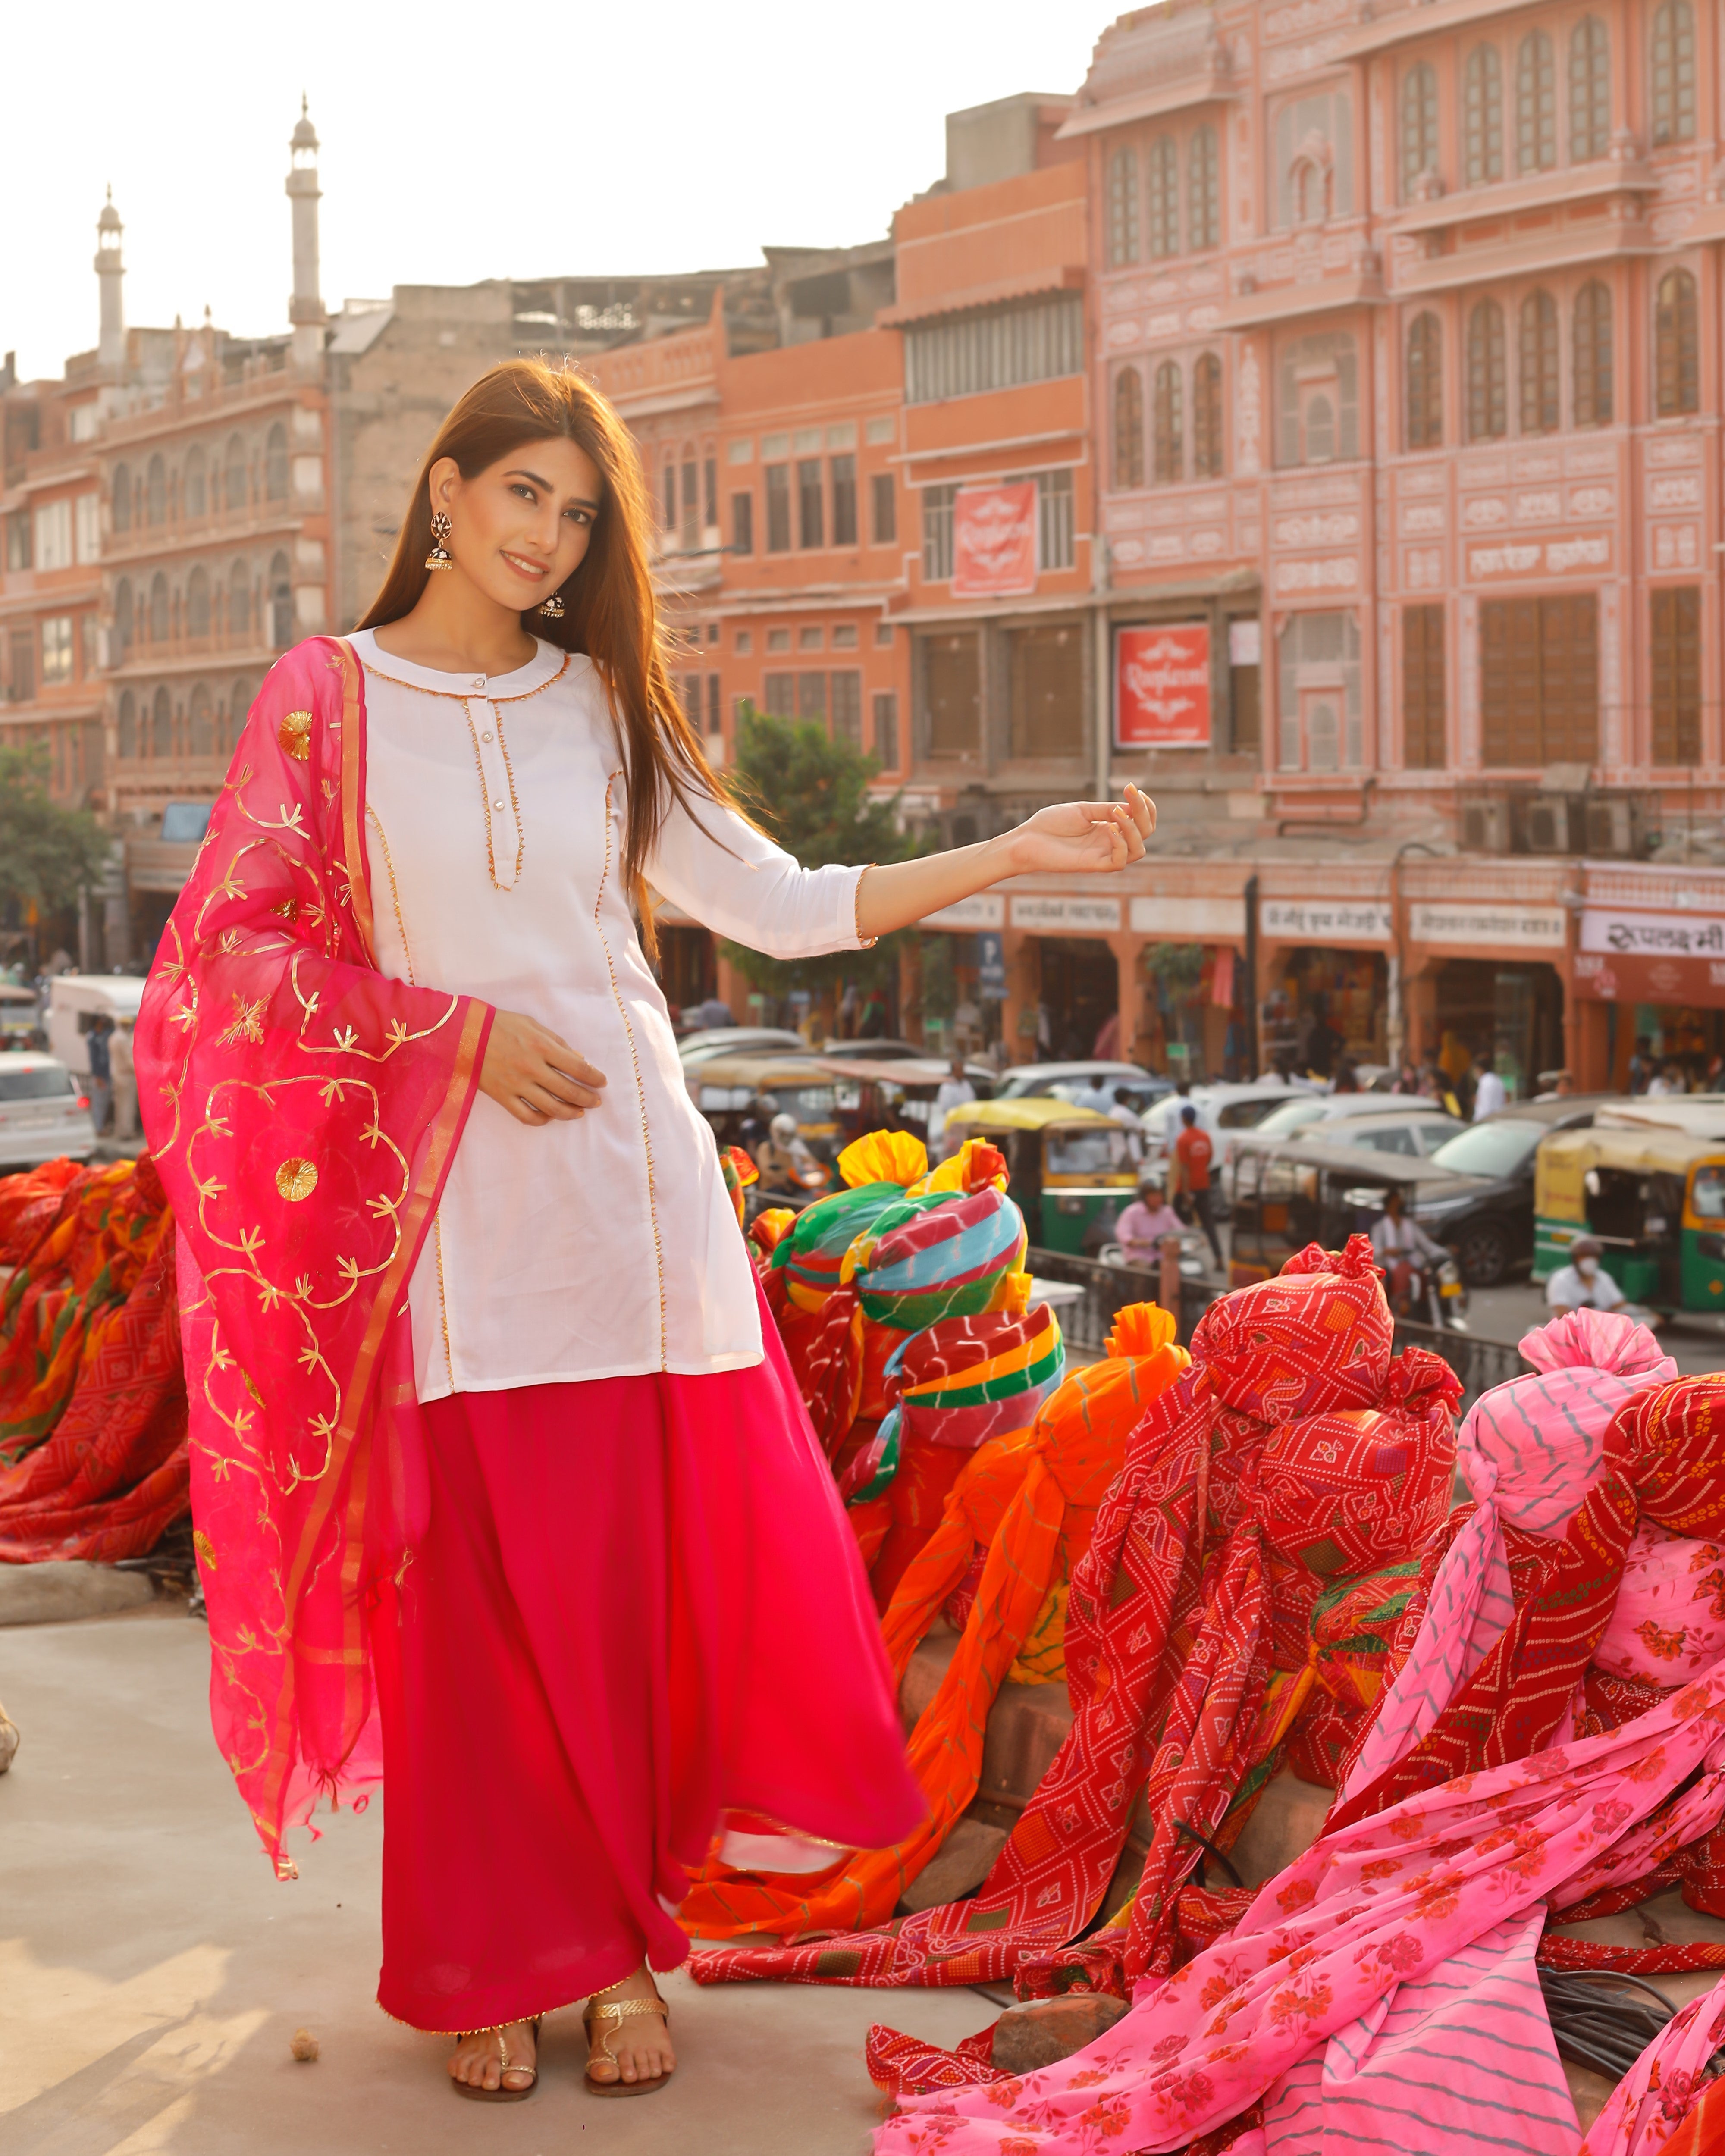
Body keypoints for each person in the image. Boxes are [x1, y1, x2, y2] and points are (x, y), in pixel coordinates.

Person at [131, 357, 1161, 2106]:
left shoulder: (601, 705)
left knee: (616, 1601)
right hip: (455, 1216)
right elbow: (230, 957)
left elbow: (783, 903)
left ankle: (611, 1947)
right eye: (522, 493)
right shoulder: (329, 697)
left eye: (579, 512)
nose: (547, 535)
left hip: (636, 1209)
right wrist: (449, 1036)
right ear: (446, 492)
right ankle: (489, 1955)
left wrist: (1012, 850)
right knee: (477, 1603)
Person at [1369, 1187, 1449, 1314]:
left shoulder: (1409, 1225)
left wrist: (1446, 1252)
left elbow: (1426, 1245)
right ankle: (1400, 1307)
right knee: (1400, 1273)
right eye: (1395, 1203)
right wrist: (1388, 1251)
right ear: (1388, 1206)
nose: (1398, 1206)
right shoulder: (1379, 1227)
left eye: (1399, 1203)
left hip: (1414, 1262)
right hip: (1390, 1264)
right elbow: (1375, 1250)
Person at [1170, 1103, 1223, 1269]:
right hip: (1203, 1184)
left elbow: (1185, 1167)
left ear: (1183, 1119)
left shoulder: (1183, 1139)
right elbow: (1209, 1158)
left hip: (1187, 1187)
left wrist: (1187, 1192)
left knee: (1175, 1220)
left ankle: (1178, 1258)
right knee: (1209, 1223)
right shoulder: (1204, 1136)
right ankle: (1219, 1257)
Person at [1546, 1234, 1628, 1318]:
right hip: (1572, 1326)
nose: (1589, 1261)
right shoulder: (1561, 1279)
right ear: (1575, 1258)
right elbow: (1561, 1313)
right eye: (1584, 1256)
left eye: (1593, 1257)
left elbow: (1620, 1304)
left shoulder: (1604, 1278)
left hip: (1601, 1325)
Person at [1114, 1176, 1183, 1269]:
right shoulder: (1132, 1212)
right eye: (1153, 1195)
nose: (1157, 1198)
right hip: (1139, 1256)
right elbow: (1123, 1234)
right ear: (1144, 1196)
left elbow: (1180, 1231)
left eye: (1159, 1195)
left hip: (1163, 1255)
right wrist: (1141, 1242)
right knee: (1145, 1270)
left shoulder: (1167, 1212)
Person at [754, 1111, 823, 1198]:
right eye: (784, 1135)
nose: (787, 1138)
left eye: (789, 1135)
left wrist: (808, 1164)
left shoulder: (797, 1146)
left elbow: (813, 1165)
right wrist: (787, 1176)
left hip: (797, 1186)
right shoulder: (766, 1148)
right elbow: (767, 1171)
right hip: (773, 1189)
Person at [928, 1055, 976, 1161]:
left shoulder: (966, 1085)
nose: (961, 1073)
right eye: (959, 1070)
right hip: (954, 1126)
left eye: (962, 1070)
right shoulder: (947, 1087)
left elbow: (972, 1101)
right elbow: (946, 1107)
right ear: (953, 1071)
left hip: (967, 1124)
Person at [84, 1015, 112, 1138]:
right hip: (100, 1075)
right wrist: (98, 1075)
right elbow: (94, 1059)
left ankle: (100, 1126)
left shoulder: (104, 1035)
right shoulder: (93, 1037)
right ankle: (98, 1128)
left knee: (104, 1102)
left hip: (106, 1073)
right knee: (99, 1102)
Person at [1472, 1052, 1508, 1120]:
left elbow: (1485, 1108)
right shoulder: (1498, 1080)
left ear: (1480, 1069)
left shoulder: (1485, 1082)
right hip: (1498, 1119)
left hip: (1487, 1121)